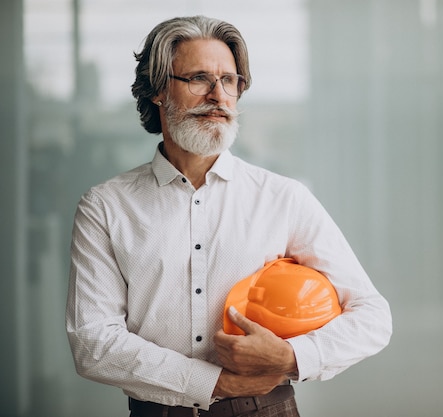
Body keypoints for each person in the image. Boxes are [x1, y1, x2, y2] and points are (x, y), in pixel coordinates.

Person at [66, 15, 392, 417]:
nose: (218, 96)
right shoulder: (105, 207)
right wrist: (213, 383)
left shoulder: (284, 198)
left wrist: (289, 357)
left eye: (230, 81)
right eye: (199, 79)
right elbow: (93, 342)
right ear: (157, 90)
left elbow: (373, 316)